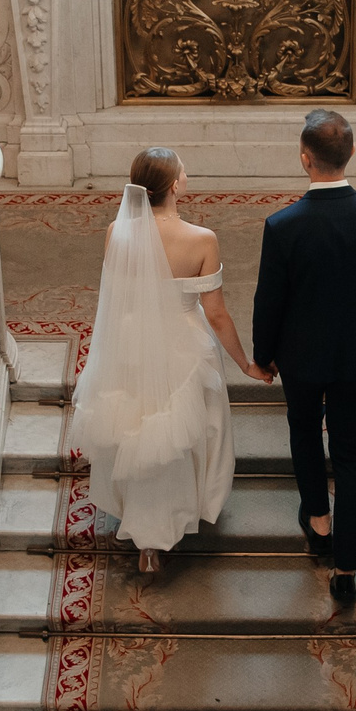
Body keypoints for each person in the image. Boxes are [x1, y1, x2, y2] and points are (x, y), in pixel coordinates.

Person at [71, 147, 271, 575]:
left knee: (135, 428)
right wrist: (245, 363)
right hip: (183, 342)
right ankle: (167, 525)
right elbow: (216, 315)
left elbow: (122, 294)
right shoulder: (201, 239)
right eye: (183, 170)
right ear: (176, 185)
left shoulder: (115, 233)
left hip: (129, 341)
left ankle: (145, 538)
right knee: (178, 439)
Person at [250, 111, 356, 606]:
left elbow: (268, 299)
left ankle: (317, 520)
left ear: (304, 158)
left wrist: (264, 355)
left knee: (303, 431)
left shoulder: (283, 226)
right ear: (353, 154)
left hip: (301, 356)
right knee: (351, 455)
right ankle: (345, 570)